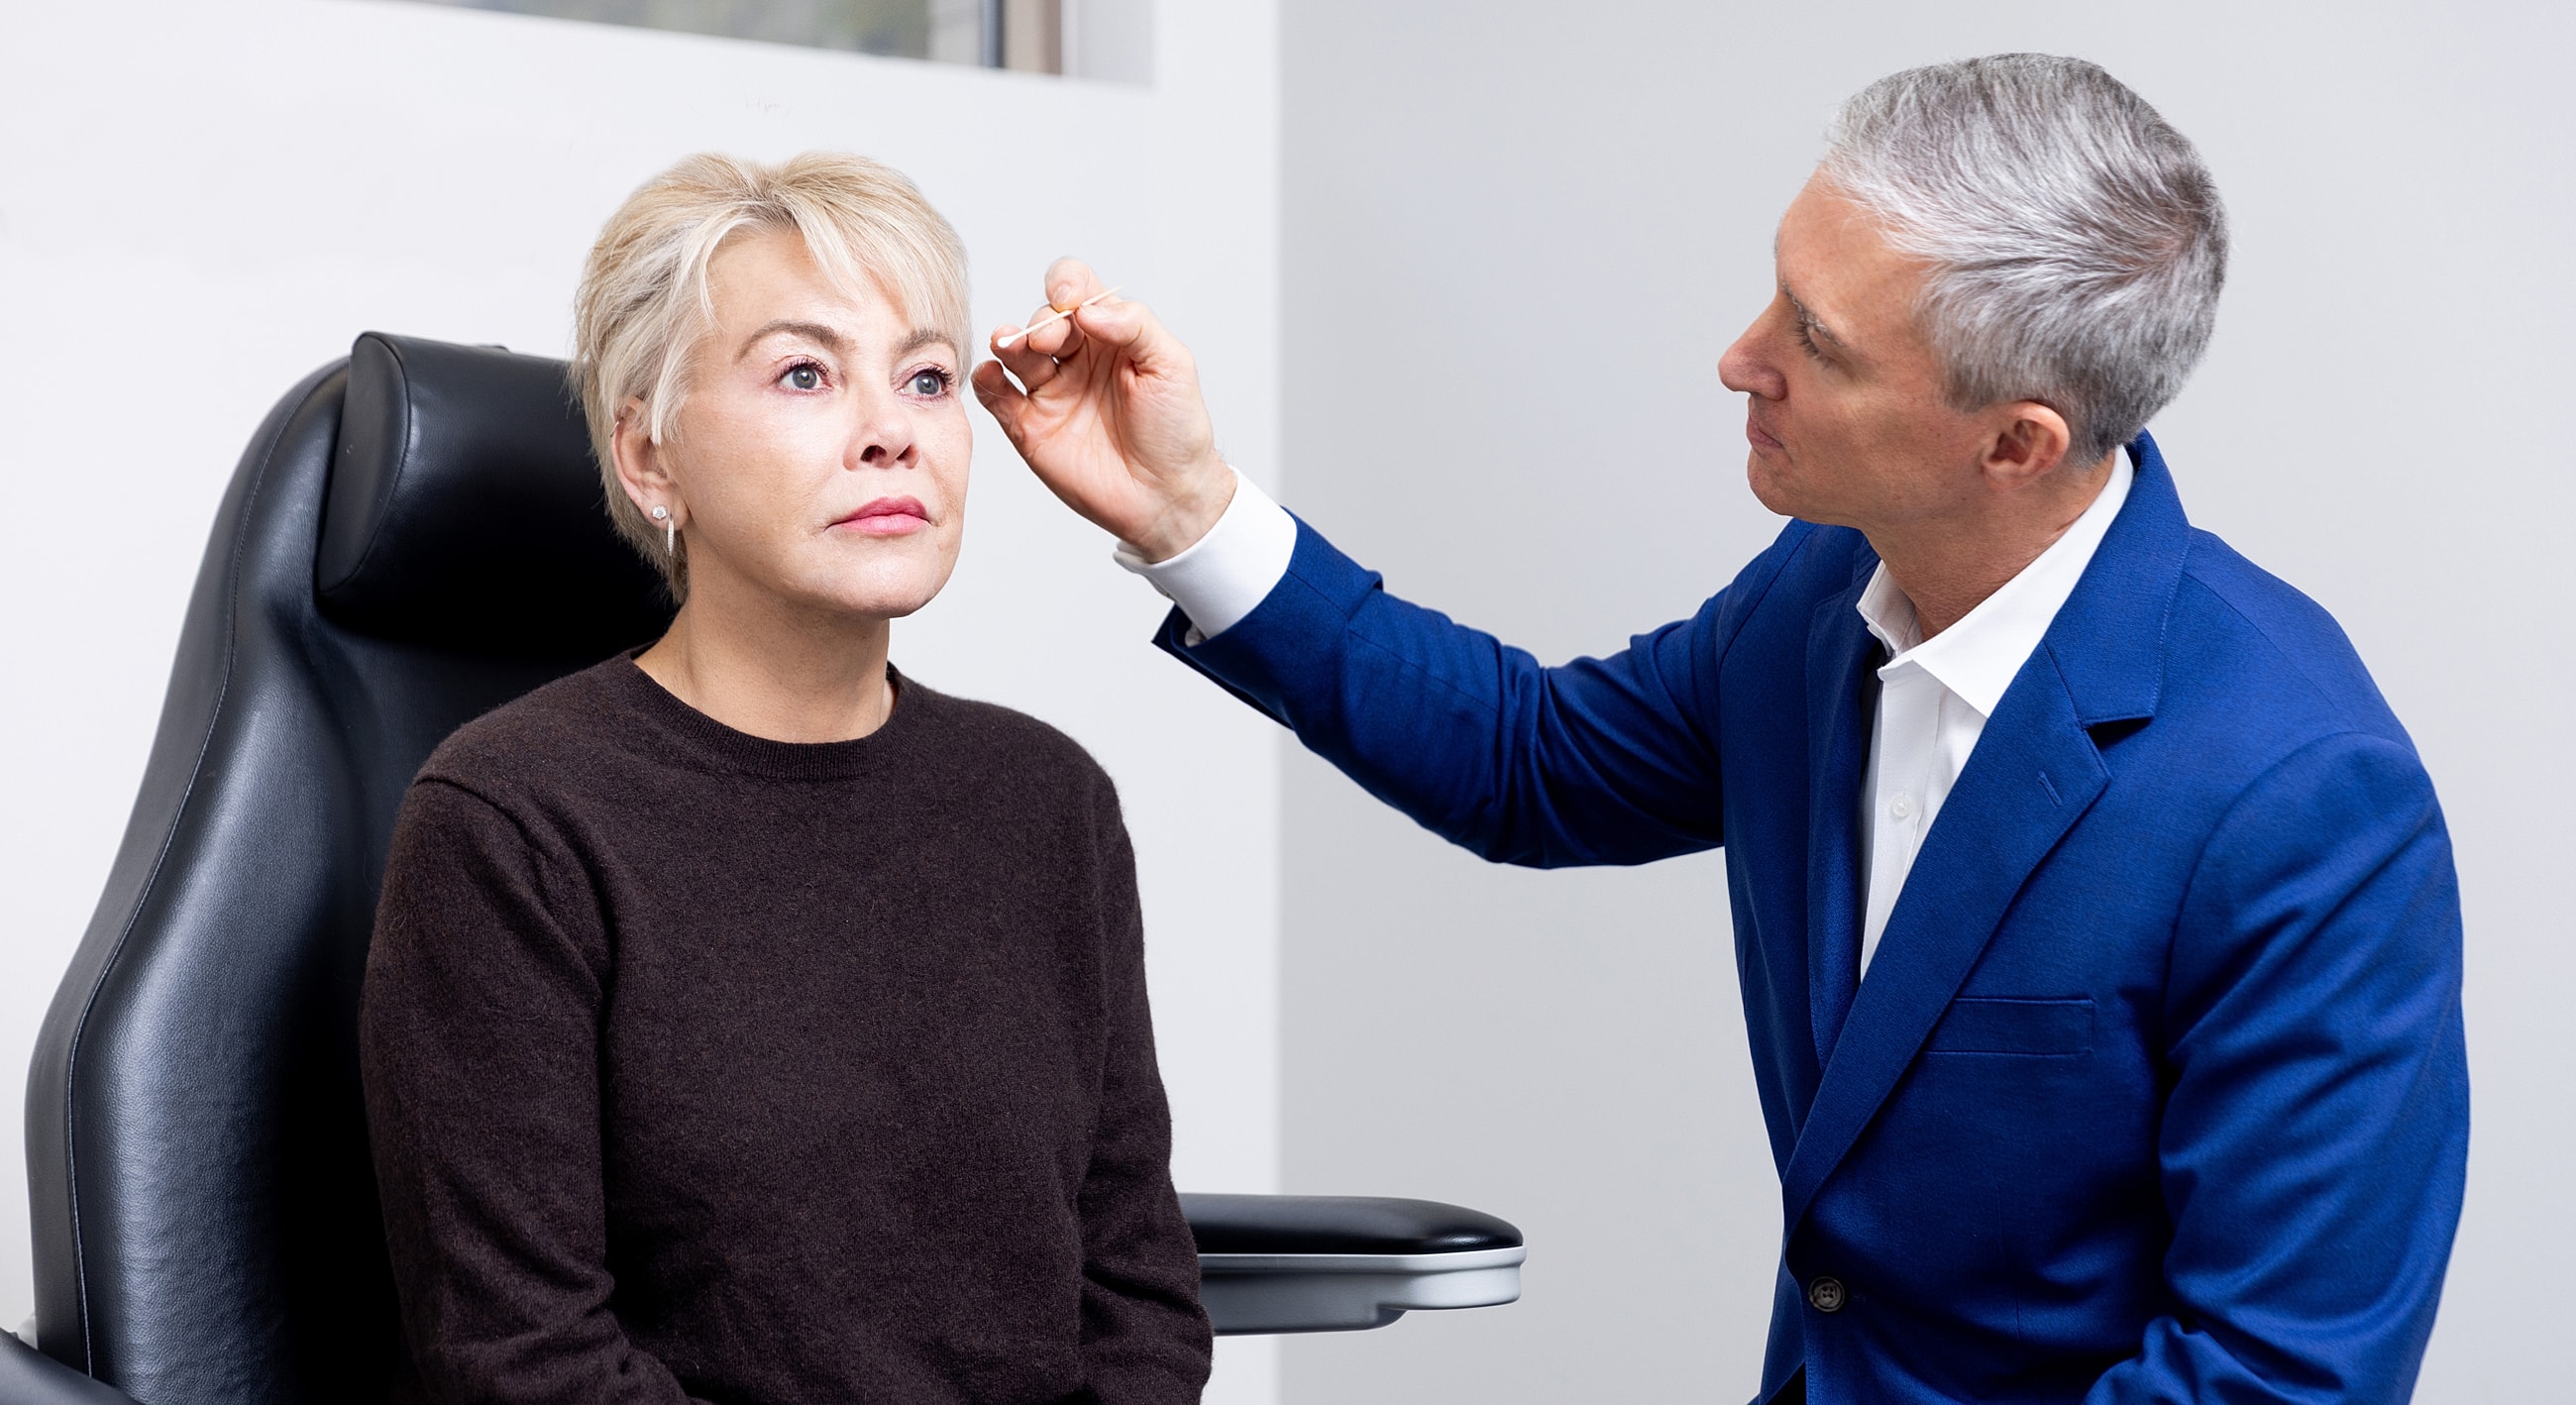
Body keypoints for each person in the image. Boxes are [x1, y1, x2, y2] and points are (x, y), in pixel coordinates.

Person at [975, 54, 2467, 1405]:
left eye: (1815, 341)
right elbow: (1535, 763)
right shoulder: (1829, 588)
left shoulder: (2303, 800)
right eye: (1776, 291)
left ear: (2014, 443)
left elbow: (2281, 1382)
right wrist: (1186, 511)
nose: (1740, 357)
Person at [359, 153, 1212, 1405]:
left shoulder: (1049, 804)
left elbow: (1137, 1301)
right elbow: (525, 1361)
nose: (892, 430)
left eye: (925, 378)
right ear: (650, 460)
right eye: (805, 372)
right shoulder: (511, 824)